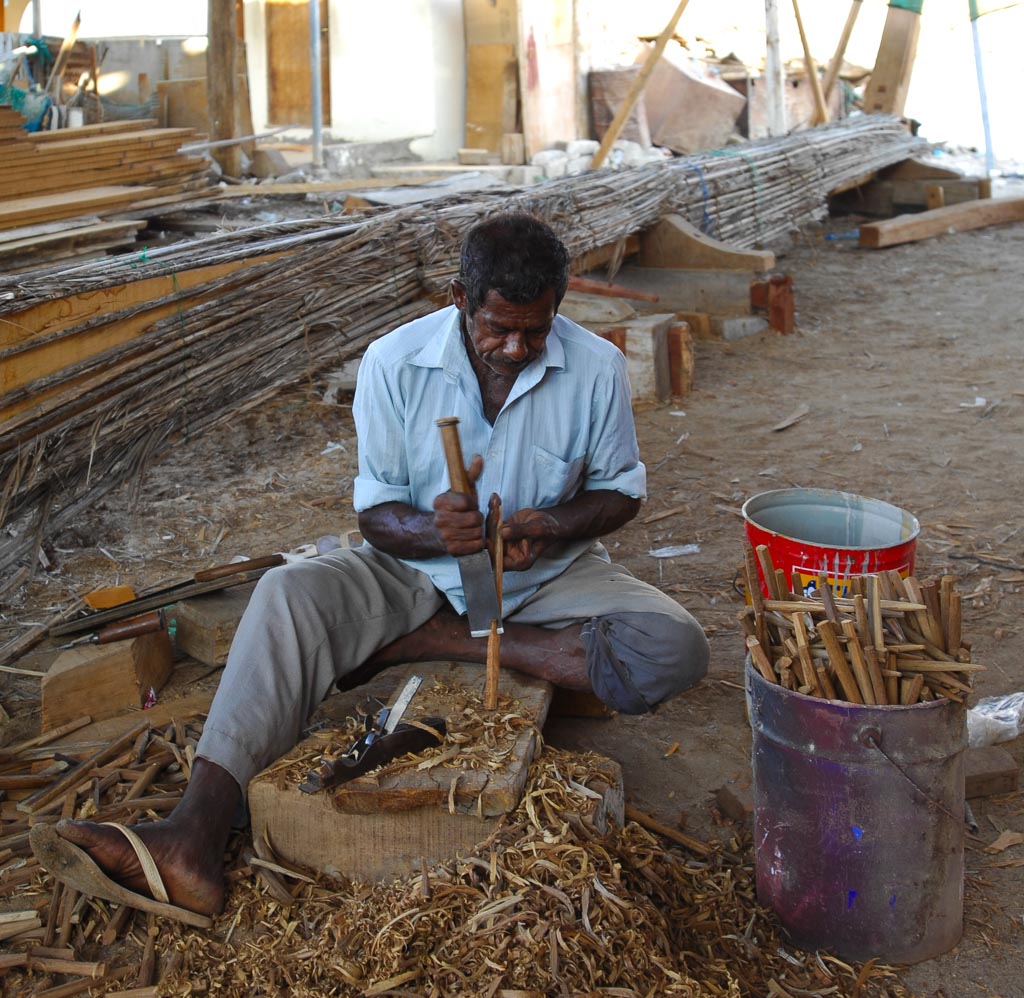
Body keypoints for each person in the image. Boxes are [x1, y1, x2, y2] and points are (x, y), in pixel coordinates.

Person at [37, 213, 710, 923]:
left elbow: (620, 494)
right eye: (498, 327)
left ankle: (441, 641)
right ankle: (193, 836)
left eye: (535, 330)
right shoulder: (394, 362)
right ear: (459, 297)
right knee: (285, 595)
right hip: (415, 575)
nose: (516, 347)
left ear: (557, 307)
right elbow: (377, 515)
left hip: (551, 574)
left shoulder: (595, 366)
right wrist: (435, 531)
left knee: (676, 647)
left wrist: (547, 525)